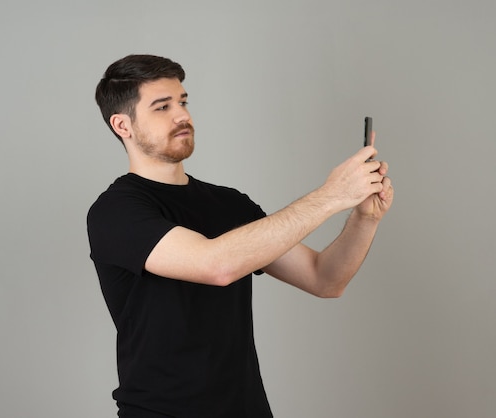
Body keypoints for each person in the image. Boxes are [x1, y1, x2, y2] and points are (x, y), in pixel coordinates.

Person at [87, 54, 394, 418]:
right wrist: (332, 195)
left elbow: (325, 279)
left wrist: (364, 218)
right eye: (162, 107)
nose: (182, 115)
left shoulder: (229, 204)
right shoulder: (116, 212)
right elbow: (215, 264)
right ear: (123, 125)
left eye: (183, 102)